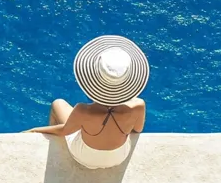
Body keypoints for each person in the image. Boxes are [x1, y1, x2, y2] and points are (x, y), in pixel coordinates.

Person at [23, 35, 149, 169]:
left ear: (94, 78)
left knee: (58, 103)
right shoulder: (138, 106)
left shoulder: (84, 110)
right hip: (118, 157)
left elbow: (64, 130)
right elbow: (137, 129)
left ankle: (53, 146)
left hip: (85, 157)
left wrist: (34, 130)